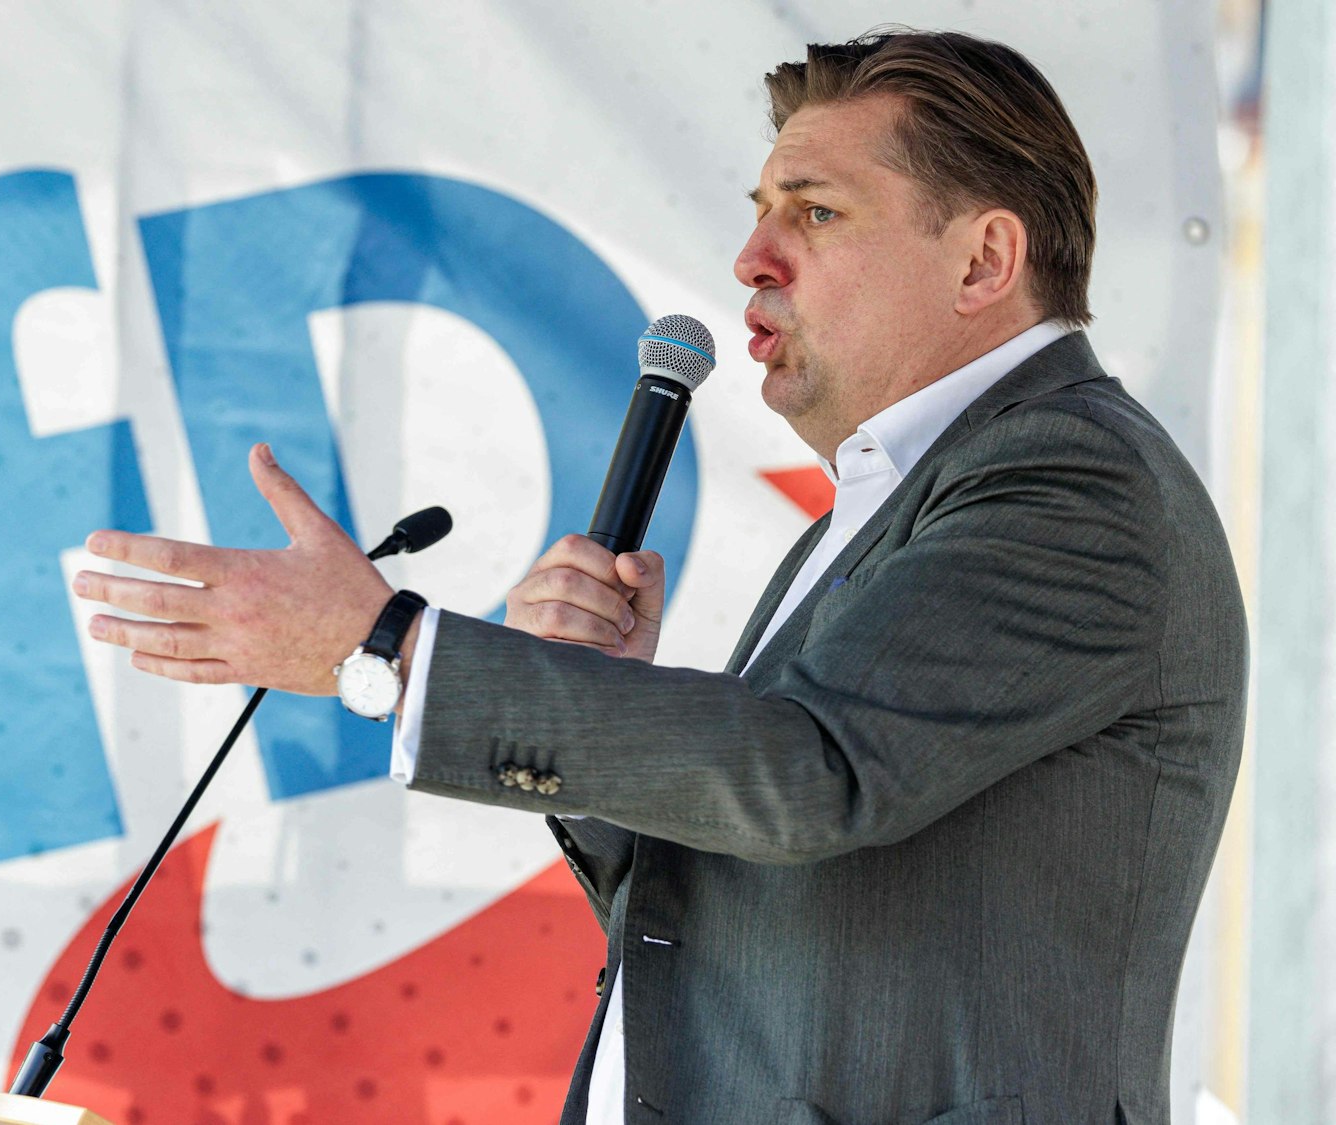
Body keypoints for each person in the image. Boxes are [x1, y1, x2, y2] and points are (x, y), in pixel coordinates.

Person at [72, 27, 1246, 1125]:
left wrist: (386, 648)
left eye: (815, 211)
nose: (750, 257)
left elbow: (811, 780)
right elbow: (747, 883)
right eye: (759, 212)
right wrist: (599, 709)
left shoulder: (1068, 482)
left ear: (983, 257)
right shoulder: (911, 489)